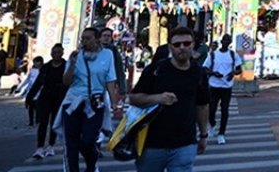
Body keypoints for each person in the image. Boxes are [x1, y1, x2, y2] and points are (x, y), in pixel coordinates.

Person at [128, 26, 211, 171]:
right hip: (152, 144)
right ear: (170, 47)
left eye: (187, 43)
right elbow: (134, 98)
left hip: (185, 144)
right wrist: (157, 98)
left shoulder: (198, 73)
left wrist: (204, 135)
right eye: (177, 44)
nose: (182, 48)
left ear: (193, 45)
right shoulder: (156, 70)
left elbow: (202, 105)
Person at [59, 27, 123, 172]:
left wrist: (114, 103)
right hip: (73, 102)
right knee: (71, 143)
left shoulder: (107, 55)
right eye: (83, 38)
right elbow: (66, 82)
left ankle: (91, 163)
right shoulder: (76, 55)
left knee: (88, 141)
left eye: (88, 38)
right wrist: (72, 64)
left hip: (95, 102)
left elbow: (110, 79)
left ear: (97, 39)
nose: (84, 41)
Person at [29, 44, 68, 160]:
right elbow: (38, 83)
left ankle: (51, 145)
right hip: (45, 97)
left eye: (58, 52)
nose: (56, 55)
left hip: (60, 98)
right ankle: (40, 147)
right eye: (54, 52)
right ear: (51, 53)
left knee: (54, 123)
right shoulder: (46, 67)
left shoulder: (66, 66)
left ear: (62, 53)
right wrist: (30, 97)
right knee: (43, 123)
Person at [202, 33, 242, 145]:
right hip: (214, 85)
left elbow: (239, 69)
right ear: (221, 41)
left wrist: (233, 73)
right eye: (224, 40)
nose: (226, 42)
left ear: (230, 43)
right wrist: (213, 73)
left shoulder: (233, 55)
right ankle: (212, 124)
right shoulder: (213, 55)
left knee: (225, 110)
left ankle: (221, 134)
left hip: (227, 86)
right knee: (211, 109)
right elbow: (205, 68)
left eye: (228, 41)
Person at [14, 56, 44, 126]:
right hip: (31, 91)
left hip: (39, 92)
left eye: (36, 62)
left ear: (40, 62)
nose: (35, 63)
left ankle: (37, 120)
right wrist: (19, 87)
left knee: (37, 107)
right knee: (31, 107)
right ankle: (31, 121)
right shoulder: (32, 70)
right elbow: (27, 80)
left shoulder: (43, 70)